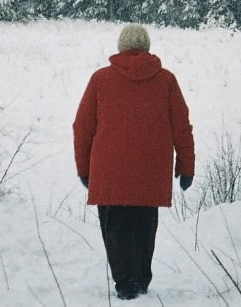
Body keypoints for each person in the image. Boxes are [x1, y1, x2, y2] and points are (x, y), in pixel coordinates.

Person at [74, 23, 195, 300]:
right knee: (144, 228)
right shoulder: (166, 80)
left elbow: (82, 127)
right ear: (147, 47)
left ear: (121, 47)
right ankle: (140, 281)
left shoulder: (100, 80)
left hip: (109, 174)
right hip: (150, 174)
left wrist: (84, 168)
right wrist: (186, 165)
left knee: (115, 231)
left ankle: (126, 284)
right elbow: (182, 127)